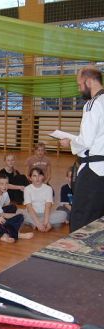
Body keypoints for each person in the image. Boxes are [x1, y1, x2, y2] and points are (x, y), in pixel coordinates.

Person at [60, 66, 104, 232]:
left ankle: (76, 247)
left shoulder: (92, 104)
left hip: (93, 171)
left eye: (80, 84)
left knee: (81, 216)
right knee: (99, 215)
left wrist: (70, 142)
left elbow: (86, 140)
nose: (79, 89)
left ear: (89, 81)